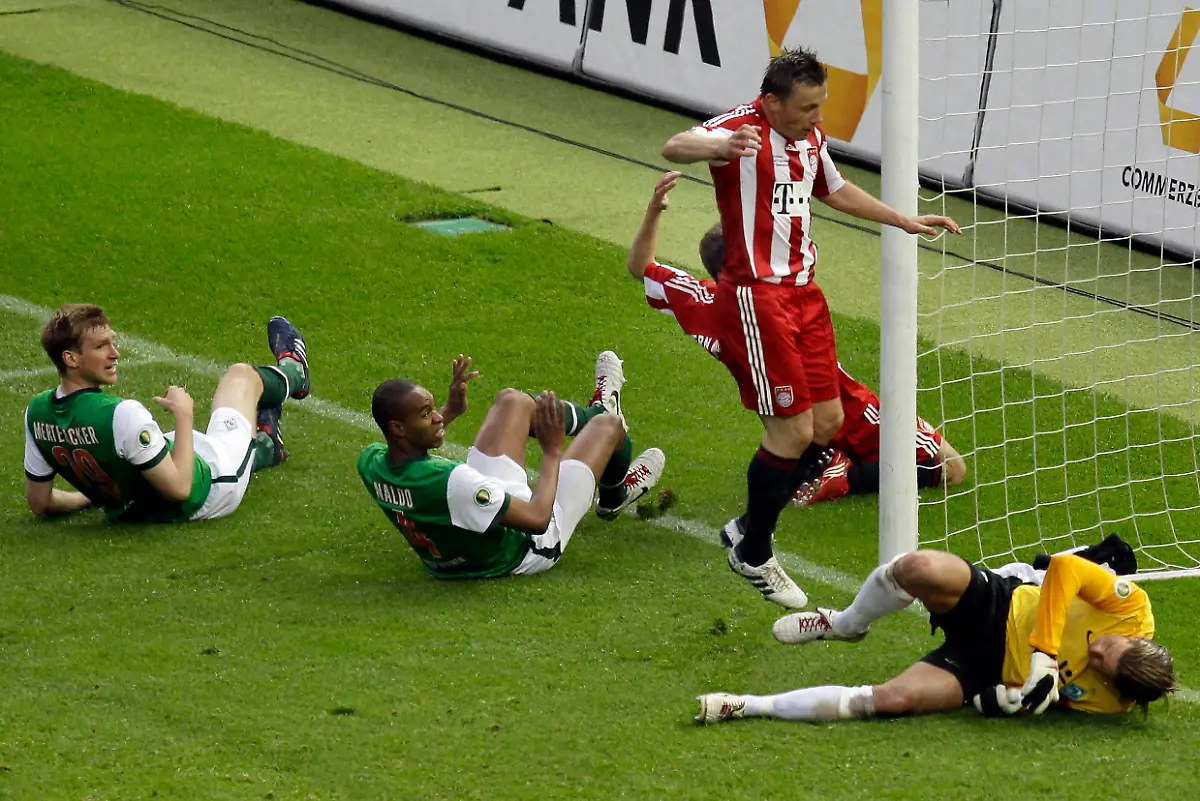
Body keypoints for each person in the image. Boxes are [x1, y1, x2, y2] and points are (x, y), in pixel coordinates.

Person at [661, 47, 961, 608]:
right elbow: (674, 145)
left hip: (806, 295)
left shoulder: (809, 141)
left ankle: (747, 526)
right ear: (771, 102)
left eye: (820, 106)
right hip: (760, 296)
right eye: (806, 108)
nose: (816, 119)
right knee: (793, 432)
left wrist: (902, 219)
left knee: (829, 420)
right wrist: (718, 146)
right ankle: (753, 552)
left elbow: (835, 190)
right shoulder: (741, 129)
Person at [628, 172, 966, 512]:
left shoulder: (702, 301)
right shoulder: (785, 295)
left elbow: (640, 266)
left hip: (788, 425)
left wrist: (655, 209)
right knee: (951, 468)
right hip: (845, 409)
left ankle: (816, 467)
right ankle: (840, 474)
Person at [695, 545, 1175, 724]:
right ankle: (844, 625)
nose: (1094, 651)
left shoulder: (1112, 701)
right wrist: (1044, 654)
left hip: (981, 667)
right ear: (1134, 638)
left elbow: (1039, 699)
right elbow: (1068, 569)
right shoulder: (1133, 608)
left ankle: (748, 705)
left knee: (889, 701)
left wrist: (1002, 701)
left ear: (1114, 686)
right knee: (915, 567)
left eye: (1100, 665)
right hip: (1000, 603)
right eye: (1107, 646)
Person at [357, 352, 666, 579]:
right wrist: (552, 450)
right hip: (525, 548)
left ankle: (598, 408)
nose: (437, 417)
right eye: (427, 414)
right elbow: (537, 519)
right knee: (608, 427)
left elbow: (413, 457)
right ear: (398, 428)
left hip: (473, 516)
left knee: (511, 401)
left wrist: (450, 410)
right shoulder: (454, 481)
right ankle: (614, 495)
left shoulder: (371, 461)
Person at [24, 304, 309, 522]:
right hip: (213, 487)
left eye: (112, 342)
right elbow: (181, 488)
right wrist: (184, 414)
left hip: (137, 505)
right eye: (101, 346)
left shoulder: (36, 413)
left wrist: (92, 498)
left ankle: (266, 445)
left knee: (161, 443)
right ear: (70, 358)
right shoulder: (123, 415)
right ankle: (294, 372)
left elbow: (41, 502)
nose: (115, 353)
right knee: (240, 378)